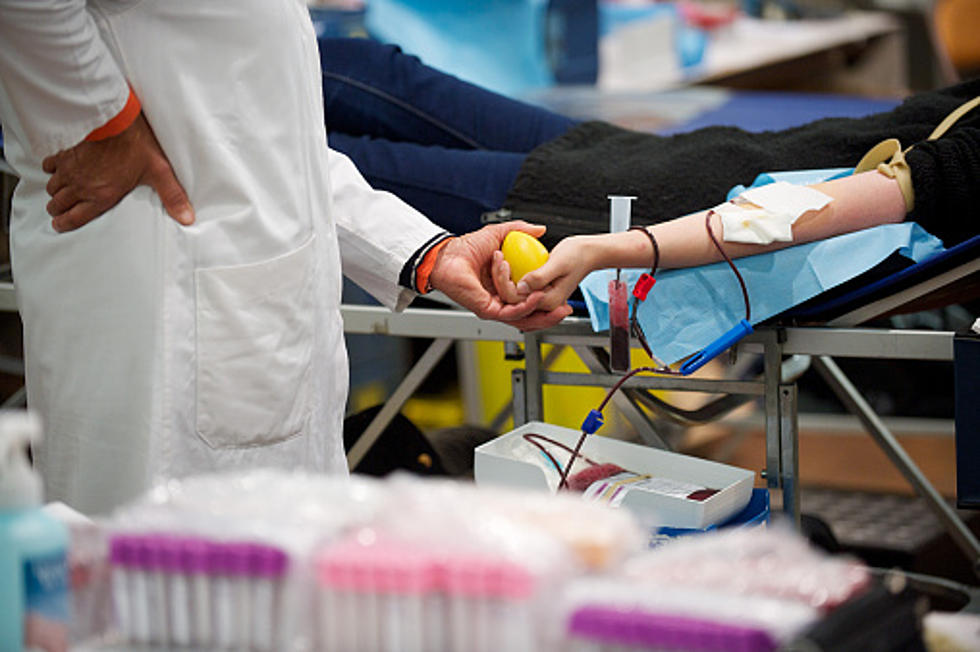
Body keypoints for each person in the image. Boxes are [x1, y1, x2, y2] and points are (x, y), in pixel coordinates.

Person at [0, 1, 568, 515]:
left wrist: (427, 253)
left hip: (250, 318)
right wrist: (102, 123)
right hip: (159, 296)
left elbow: (273, 142)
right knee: (149, 592)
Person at [318, 38, 978, 254]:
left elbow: (807, 212)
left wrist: (620, 249)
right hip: (676, 161)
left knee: (353, 169)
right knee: (376, 72)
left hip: (665, 205)